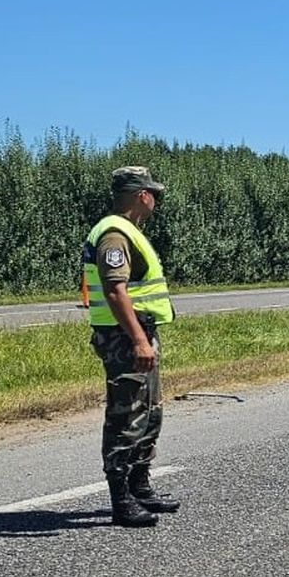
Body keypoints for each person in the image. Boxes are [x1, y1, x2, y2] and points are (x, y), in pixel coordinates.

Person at [82, 166, 178, 528]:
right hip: (124, 338)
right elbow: (114, 290)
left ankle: (139, 486)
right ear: (142, 195)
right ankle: (121, 499)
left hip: (138, 333)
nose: (155, 199)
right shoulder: (114, 234)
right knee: (126, 415)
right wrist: (139, 339)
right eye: (153, 192)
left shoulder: (129, 231)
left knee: (150, 412)